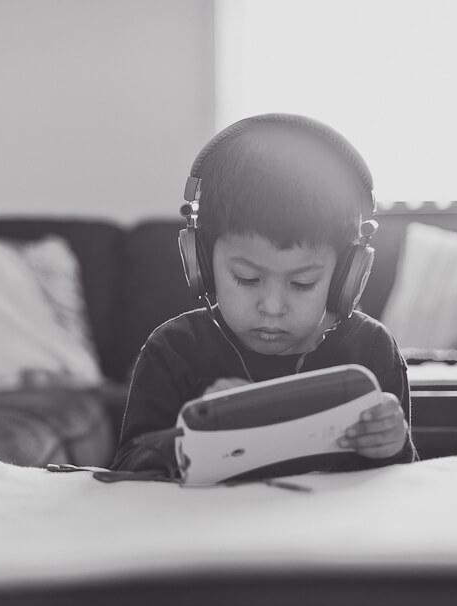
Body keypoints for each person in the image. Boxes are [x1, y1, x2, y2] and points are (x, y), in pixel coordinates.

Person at [111, 114, 417, 475]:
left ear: (346, 276)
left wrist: (393, 445)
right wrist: (191, 438)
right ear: (202, 262)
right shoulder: (174, 351)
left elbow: (398, 487)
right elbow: (130, 471)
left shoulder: (370, 350)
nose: (272, 307)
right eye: (247, 278)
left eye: (302, 283)